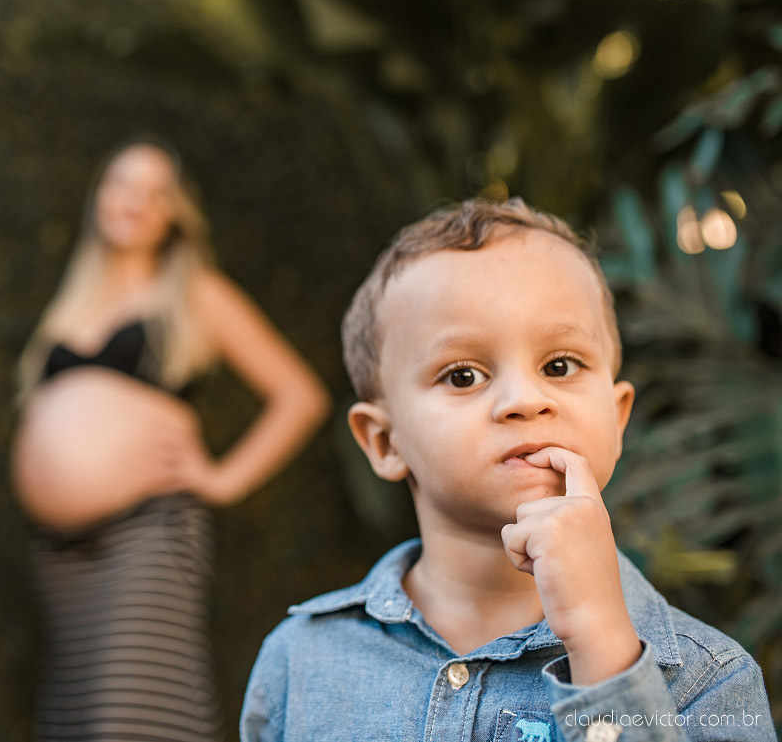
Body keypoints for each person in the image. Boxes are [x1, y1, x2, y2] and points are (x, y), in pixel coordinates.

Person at [240, 199, 775, 742]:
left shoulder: (710, 681)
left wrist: (602, 647)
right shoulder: (300, 664)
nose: (524, 399)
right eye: (464, 375)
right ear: (384, 441)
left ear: (616, 419)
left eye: (559, 365)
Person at [12, 138, 330, 742]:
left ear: (175, 212)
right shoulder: (73, 300)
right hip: (60, 550)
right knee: (74, 721)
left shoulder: (196, 293)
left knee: (135, 716)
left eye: (156, 190)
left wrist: (224, 478)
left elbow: (300, 395)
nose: (137, 201)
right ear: (99, 197)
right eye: (123, 183)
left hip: (147, 532)